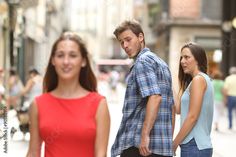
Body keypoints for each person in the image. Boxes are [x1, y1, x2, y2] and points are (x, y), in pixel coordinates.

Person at [26, 32, 110, 157]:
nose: (66, 61)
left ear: (83, 61)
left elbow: (101, 154)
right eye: (60, 55)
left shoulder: (99, 104)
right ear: (53, 60)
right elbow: (33, 153)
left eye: (73, 55)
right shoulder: (38, 104)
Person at [111, 20, 175, 157]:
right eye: (121, 42)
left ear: (140, 37)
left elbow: (155, 97)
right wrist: (169, 143)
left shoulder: (142, 61)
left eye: (128, 39)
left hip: (140, 146)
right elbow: (172, 107)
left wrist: (145, 135)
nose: (125, 45)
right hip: (161, 146)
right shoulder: (161, 63)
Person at [173, 43, 214, 157]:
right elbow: (179, 109)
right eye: (181, 57)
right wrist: (169, 84)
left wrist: (175, 143)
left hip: (195, 146)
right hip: (194, 146)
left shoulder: (198, 80)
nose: (182, 61)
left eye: (187, 57)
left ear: (198, 60)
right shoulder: (197, 80)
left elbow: (192, 117)